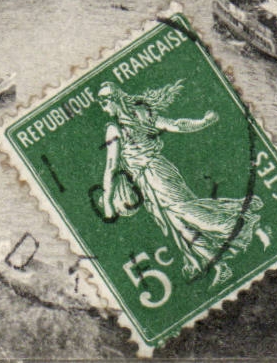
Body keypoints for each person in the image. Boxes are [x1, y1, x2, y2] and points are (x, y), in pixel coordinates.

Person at [97, 79, 262, 287]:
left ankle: (240, 222)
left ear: (116, 99)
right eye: (100, 102)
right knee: (181, 227)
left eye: (104, 101)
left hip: (156, 175)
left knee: (187, 213)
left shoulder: (115, 129)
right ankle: (220, 265)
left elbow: (111, 168)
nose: (102, 106)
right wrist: (203, 122)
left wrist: (109, 202)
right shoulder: (139, 116)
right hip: (150, 180)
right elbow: (174, 125)